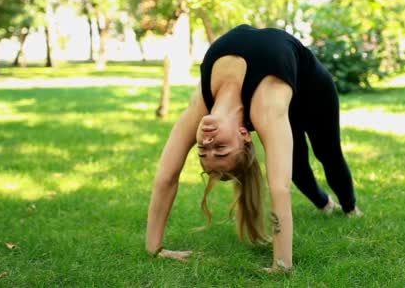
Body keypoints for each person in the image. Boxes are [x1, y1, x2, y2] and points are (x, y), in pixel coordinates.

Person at [145, 24, 361, 272]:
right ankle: (325, 204)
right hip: (281, 94)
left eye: (203, 152)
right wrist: (282, 263)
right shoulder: (265, 108)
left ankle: (350, 207)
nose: (207, 143)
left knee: (327, 152)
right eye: (221, 149)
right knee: (298, 166)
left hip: (313, 91)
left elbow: (166, 175)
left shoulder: (201, 105)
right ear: (244, 134)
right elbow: (280, 189)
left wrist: (153, 247)